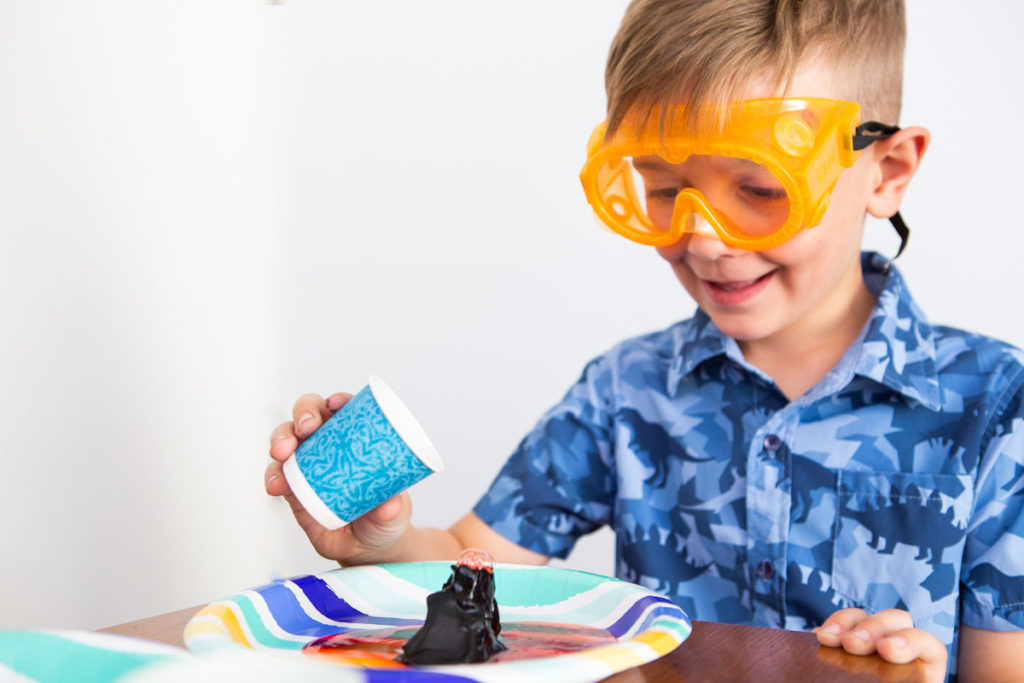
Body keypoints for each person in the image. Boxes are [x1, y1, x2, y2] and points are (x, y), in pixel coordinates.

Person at [264, 1, 1024, 680]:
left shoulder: (998, 409)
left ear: (887, 171)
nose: (704, 237)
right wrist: (380, 543)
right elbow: (470, 565)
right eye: (664, 189)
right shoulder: (624, 389)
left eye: (761, 188)